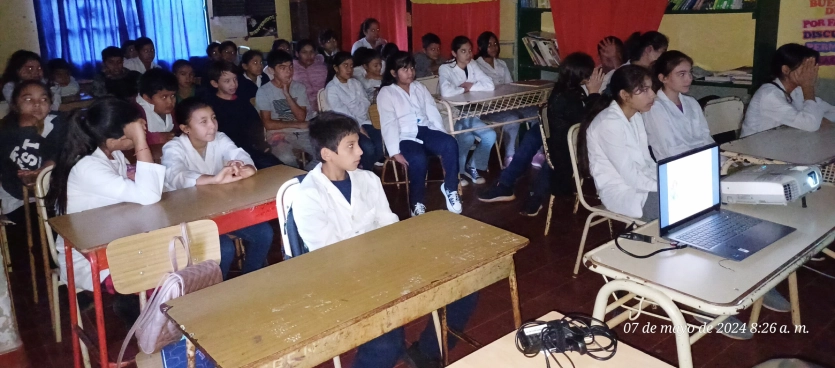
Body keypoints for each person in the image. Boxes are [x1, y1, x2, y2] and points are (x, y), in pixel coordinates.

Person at [292, 112, 477, 368]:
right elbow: (330, 254)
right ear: (327, 154)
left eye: (358, 143)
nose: (360, 152)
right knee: (386, 344)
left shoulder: (368, 179)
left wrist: (398, 257)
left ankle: (427, 352)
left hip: (382, 264)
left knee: (466, 284)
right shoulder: (308, 196)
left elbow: (389, 227)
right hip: (341, 279)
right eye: (351, 146)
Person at [46, 98, 165, 293]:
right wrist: (140, 142)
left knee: (178, 260)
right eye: (135, 132)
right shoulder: (88, 166)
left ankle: (135, 310)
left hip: (118, 238)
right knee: (163, 279)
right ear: (116, 137)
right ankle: (141, 314)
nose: (142, 132)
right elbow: (149, 195)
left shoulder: (112, 154)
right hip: (92, 256)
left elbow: (143, 189)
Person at [478, 52, 603, 217]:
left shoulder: (576, 88)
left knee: (553, 149)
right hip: (561, 135)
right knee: (534, 136)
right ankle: (506, 185)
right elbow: (580, 117)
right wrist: (593, 92)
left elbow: (588, 124)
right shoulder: (565, 91)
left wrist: (593, 93)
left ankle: (534, 194)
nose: (593, 76)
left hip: (572, 143)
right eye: (589, 74)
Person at [162, 98, 272, 278]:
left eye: (213, 118)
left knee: (264, 233)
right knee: (224, 249)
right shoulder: (173, 147)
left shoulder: (219, 138)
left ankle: (250, 279)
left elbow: (238, 154)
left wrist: (246, 168)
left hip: (220, 211)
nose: (212, 125)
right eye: (203, 121)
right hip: (188, 216)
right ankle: (217, 291)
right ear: (185, 128)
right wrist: (213, 179)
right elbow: (176, 175)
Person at [377, 51, 461, 216]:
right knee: (417, 158)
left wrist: (441, 136)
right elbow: (389, 123)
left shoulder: (419, 87)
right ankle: (417, 203)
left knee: (450, 143)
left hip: (425, 130)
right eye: (404, 69)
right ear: (393, 73)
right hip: (404, 136)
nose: (410, 72)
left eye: (411, 68)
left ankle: (450, 188)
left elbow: (432, 113)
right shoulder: (386, 93)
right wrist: (394, 151)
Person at [579, 65, 657, 221]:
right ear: (624, 95)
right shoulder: (609, 123)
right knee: (680, 207)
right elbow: (630, 177)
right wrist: (666, 188)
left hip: (642, 184)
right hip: (621, 193)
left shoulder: (635, 116)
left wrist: (669, 180)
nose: (653, 95)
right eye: (644, 90)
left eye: (651, 89)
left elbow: (646, 161)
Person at [0, 81, 67, 219]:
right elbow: (17, 166)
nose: (37, 104)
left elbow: (58, 150)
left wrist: (45, 168)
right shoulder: (7, 131)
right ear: (15, 105)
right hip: (18, 195)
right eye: (28, 99)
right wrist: (28, 131)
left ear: (50, 106)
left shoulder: (58, 122)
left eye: (43, 99)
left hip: (53, 191)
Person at [474, 31, 540, 166]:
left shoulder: (501, 64)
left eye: (495, 44)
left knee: (537, 113)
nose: (494, 47)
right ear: (481, 47)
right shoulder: (475, 66)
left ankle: (537, 152)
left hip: (508, 103)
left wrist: (512, 99)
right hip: (489, 108)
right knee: (512, 119)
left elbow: (510, 85)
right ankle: (510, 156)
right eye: (489, 45)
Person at [741, 43, 835, 137]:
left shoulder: (796, 91)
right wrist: (808, 87)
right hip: (754, 149)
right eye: (805, 68)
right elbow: (811, 125)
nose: (810, 73)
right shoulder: (769, 94)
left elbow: (832, 111)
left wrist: (820, 119)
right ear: (785, 70)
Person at [439, 36, 497, 187]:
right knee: (467, 137)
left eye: (470, 51)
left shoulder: (473, 65)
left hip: (469, 113)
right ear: (454, 53)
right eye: (463, 51)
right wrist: (463, 87)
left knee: (490, 135)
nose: (468, 55)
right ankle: (457, 171)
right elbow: (446, 91)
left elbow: (489, 85)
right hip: (451, 115)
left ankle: (472, 166)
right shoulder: (445, 68)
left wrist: (469, 86)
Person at [206, 61, 281, 169]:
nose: (233, 84)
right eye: (227, 81)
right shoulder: (210, 106)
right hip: (226, 152)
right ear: (215, 83)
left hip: (250, 149)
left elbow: (256, 124)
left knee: (276, 167)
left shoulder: (242, 102)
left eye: (235, 79)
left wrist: (260, 143)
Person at [642, 51, 714, 161]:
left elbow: (706, 138)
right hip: (676, 165)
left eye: (690, 73)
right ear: (663, 78)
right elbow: (670, 150)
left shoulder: (691, 103)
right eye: (681, 74)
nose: (689, 78)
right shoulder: (655, 108)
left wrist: (718, 160)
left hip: (702, 160)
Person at [256, 50, 318, 169]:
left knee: (323, 154)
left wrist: (287, 94)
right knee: (286, 158)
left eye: (290, 67)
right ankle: (296, 180)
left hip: (303, 133)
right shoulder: (264, 91)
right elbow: (268, 124)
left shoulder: (299, 87)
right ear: (272, 70)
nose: (288, 72)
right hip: (279, 134)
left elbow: (301, 117)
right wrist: (297, 125)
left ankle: (308, 179)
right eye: (282, 68)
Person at [325, 52, 383, 170]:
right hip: (346, 126)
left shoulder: (355, 83)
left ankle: (364, 166)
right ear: (336, 68)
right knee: (368, 147)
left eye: (351, 66)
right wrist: (358, 126)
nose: (349, 69)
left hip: (364, 120)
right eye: (345, 66)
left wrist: (353, 107)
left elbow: (365, 103)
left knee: (381, 144)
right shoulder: (332, 88)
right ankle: (365, 173)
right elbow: (342, 113)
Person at [600, 32, 668, 93]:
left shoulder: (656, 72)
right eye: (662, 52)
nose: (664, 56)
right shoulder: (624, 72)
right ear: (649, 49)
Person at [135, 68, 177, 143]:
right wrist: (156, 138)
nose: (170, 102)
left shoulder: (171, 111)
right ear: (147, 98)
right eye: (164, 97)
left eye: (173, 96)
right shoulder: (135, 112)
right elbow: (130, 138)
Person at [293, 39, 328, 115]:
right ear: (297, 54)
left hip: (323, 105)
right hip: (300, 108)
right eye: (304, 52)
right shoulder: (291, 69)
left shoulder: (322, 68)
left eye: (311, 52)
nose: (309, 55)